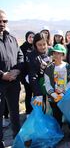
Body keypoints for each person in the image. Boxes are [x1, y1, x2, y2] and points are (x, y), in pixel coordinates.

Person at [0, 9, 24, 147]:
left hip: (14, 82)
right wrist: (2, 75)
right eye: (0, 21)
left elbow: (20, 56)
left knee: (15, 112)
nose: (2, 23)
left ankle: (17, 139)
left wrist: (16, 70)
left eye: (5, 21)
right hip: (0, 83)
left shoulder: (11, 38)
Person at [44, 44, 70, 127]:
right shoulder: (49, 68)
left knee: (69, 116)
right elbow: (47, 83)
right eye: (54, 53)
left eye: (59, 53)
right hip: (53, 98)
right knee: (56, 117)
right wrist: (54, 95)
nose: (56, 55)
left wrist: (62, 94)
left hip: (66, 97)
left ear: (63, 55)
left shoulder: (68, 67)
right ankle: (58, 135)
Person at [26, 33, 51, 108]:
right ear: (35, 45)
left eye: (44, 44)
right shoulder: (32, 56)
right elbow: (33, 76)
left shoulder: (50, 52)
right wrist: (38, 94)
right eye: (39, 45)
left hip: (53, 87)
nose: (42, 47)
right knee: (43, 109)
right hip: (40, 87)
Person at [20, 31, 35, 117]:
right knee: (28, 94)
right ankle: (28, 112)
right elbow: (21, 63)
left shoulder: (35, 47)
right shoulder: (22, 48)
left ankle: (35, 111)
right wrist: (23, 77)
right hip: (25, 75)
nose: (31, 39)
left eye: (33, 37)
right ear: (26, 37)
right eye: (29, 37)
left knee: (35, 94)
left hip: (34, 75)